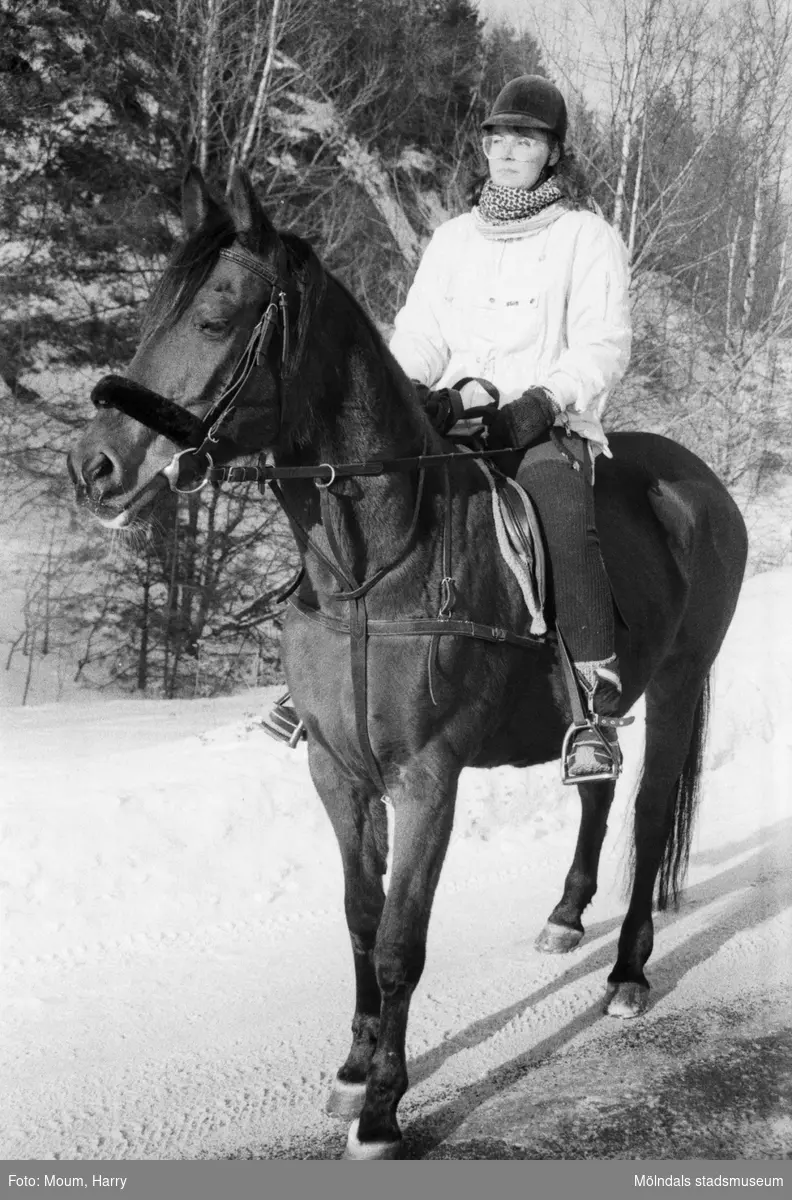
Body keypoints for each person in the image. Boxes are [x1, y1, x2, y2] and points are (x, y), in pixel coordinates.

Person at [389, 74, 632, 781]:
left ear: (553, 153)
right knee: (365, 485)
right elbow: (421, 333)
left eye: (525, 138)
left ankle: (594, 704)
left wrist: (543, 400)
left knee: (558, 507)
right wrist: (408, 391)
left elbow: (604, 343)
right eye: (497, 136)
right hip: (452, 417)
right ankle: (321, 667)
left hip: (539, 422)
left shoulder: (586, 237)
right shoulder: (453, 239)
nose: (506, 149)